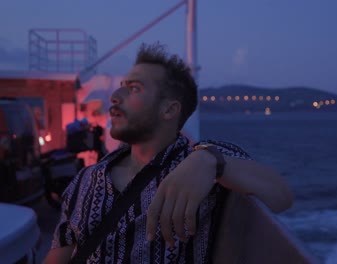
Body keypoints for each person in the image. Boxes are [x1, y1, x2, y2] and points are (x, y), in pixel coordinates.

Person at [44, 43, 293, 263]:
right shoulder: (86, 180)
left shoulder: (199, 164)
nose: (115, 97)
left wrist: (210, 161)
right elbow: (60, 254)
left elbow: (280, 195)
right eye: (121, 87)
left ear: (169, 110)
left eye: (134, 89)